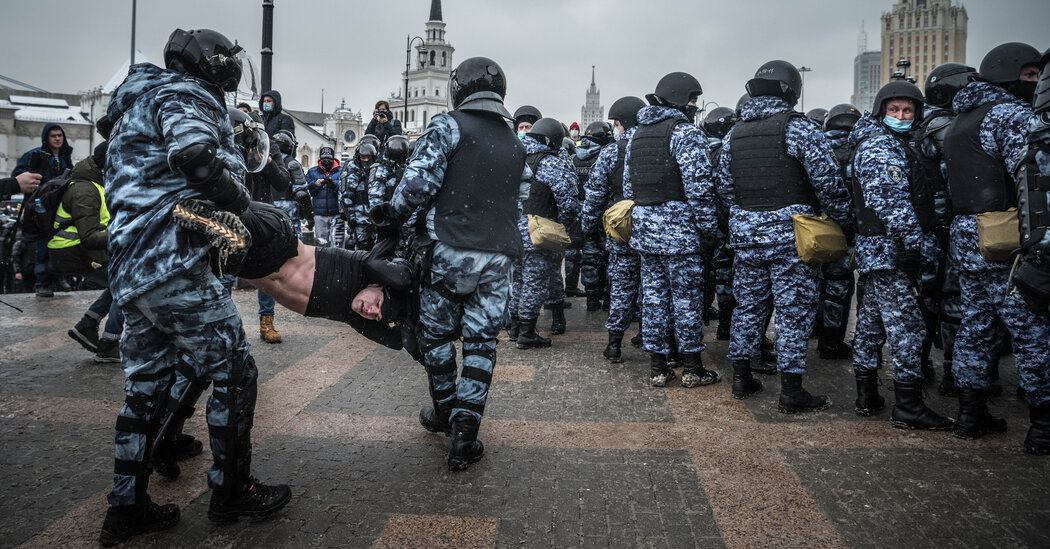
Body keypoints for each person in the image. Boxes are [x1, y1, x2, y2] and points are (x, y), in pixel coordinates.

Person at [97, 28, 289, 547]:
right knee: (234, 370)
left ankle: (125, 507)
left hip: (134, 268)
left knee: (145, 388)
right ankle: (231, 492)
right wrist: (245, 209)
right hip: (174, 260)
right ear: (215, 63)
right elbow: (194, 155)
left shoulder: (135, 104)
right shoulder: (183, 94)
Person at [370, 57, 527, 471]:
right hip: (501, 255)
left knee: (437, 338)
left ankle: (443, 412)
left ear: (459, 88)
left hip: (451, 250)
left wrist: (391, 216)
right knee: (481, 343)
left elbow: (417, 185)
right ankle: (465, 436)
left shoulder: (448, 125)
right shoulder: (516, 141)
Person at [716, 60, 852, 407]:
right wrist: (841, 222)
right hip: (792, 236)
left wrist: (748, 218)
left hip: (747, 236)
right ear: (792, 91)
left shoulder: (734, 134)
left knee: (748, 307)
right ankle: (791, 392)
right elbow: (828, 183)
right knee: (793, 311)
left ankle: (742, 379)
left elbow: (726, 188)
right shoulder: (799, 128)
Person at [943, 42, 1045, 445]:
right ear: (1007, 75)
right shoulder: (1009, 115)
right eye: (1030, 75)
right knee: (1031, 332)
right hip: (1008, 239)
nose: (1036, 84)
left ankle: (970, 413)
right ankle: (1043, 426)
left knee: (977, 326)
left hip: (970, 239)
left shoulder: (959, 119)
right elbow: (1035, 177)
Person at [849, 81, 954, 429]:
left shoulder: (881, 142)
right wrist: (912, 245)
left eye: (908, 111)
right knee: (908, 328)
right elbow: (892, 204)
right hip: (891, 249)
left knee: (870, 322)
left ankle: (867, 395)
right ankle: (908, 405)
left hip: (877, 249)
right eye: (894, 110)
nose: (901, 116)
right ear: (881, 111)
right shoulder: (882, 147)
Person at [624, 72, 721, 388]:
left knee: (652, 299)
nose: (694, 105)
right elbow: (700, 189)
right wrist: (708, 231)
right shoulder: (685, 134)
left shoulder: (636, 136)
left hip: (645, 233)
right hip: (680, 235)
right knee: (687, 300)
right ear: (679, 99)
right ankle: (692, 368)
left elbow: (629, 187)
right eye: (692, 100)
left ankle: (657, 368)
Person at [581, 95, 646, 362]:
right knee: (651, 285)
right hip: (655, 226)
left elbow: (595, 194)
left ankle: (614, 344)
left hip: (621, 226)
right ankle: (649, 338)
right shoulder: (655, 147)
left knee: (621, 284)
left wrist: (587, 225)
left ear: (620, 123)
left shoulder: (611, 152)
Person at [1011, 47, 1050, 455]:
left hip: (1034, 258)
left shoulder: (1030, 143)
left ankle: (1040, 429)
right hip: (1033, 259)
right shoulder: (1018, 128)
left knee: (1034, 347)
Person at [512, 118, 580, 345]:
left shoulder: (517, 157)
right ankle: (527, 333)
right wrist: (563, 224)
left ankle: (514, 326)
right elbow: (568, 201)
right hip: (539, 230)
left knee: (518, 279)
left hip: (514, 228)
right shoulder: (551, 163)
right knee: (535, 281)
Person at [58, 141, 124, 363]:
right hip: (72, 251)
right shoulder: (85, 189)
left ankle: (87, 325)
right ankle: (108, 343)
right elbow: (89, 238)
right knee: (126, 284)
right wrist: (127, 233)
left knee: (119, 282)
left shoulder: (97, 182)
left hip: (81, 250)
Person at [234, 108, 292, 344]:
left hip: (262, 214)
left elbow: (283, 181)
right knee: (225, 270)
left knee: (267, 271)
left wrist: (266, 162)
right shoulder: (232, 146)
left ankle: (266, 322)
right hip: (235, 212)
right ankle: (225, 324)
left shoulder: (271, 147)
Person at [817, 103, 862, 360]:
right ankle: (831, 344)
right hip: (845, 233)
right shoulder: (859, 151)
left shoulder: (817, 149)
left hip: (811, 231)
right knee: (839, 288)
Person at [13, 122, 74, 297]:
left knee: (62, 243)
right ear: (46, 138)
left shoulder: (65, 157)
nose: (57, 139)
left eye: (60, 135)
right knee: (42, 244)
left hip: (59, 207)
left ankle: (60, 276)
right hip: (40, 204)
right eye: (53, 136)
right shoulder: (33, 155)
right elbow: (18, 177)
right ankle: (42, 282)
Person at [702, 106, 738, 341]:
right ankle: (725, 326)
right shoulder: (730, 152)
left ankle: (705, 314)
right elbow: (729, 193)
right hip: (726, 226)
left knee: (705, 276)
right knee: (727, 277)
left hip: (706, 227)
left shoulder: (699, 152)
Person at [573, 121, 614, 311]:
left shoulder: (575, 158)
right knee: (608, 256)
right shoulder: (606, 157)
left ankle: (590, 296)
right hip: (606, 214)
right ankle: (606, 297)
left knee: (589, 257)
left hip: (583, 214)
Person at [340, 135, 380, 250]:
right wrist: (351, 218)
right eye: (363, 157)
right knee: (361, 251)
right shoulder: (353, 172)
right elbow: (345, 197)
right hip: (359, 220)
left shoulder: (379, 169)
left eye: (368, 157)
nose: (366, 160)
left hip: (375, 220)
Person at [271, 130, 309, 239]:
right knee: (294, 246)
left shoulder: (263, 161)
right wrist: (309, 216)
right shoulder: (292, 163)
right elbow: (302, 194)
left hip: (268, 210)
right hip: (290, 212)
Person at [307, 146, 342, 246]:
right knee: (321, 245)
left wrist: (334, 185)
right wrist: (315, 185)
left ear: (333, 159)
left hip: (336, 213)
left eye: (329, 159)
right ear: (320, 159)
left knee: (338, 246)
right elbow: (306, 189)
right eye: (324, 159)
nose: (326, 161)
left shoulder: (341, 171)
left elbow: (346, 188)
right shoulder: (312, 172)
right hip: (319, 215)